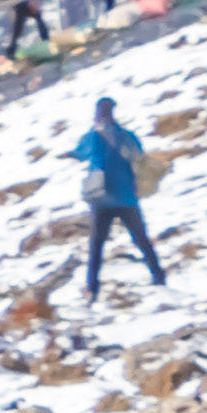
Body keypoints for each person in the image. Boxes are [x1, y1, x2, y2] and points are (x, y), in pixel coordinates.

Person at [69, 98, 164, 300]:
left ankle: (92, 288)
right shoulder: (126, 136)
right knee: (141, 239)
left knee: (97, 245)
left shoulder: (93, 136)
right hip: (127, 197)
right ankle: (158, 276)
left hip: (102, 198)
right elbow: (138, 154)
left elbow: (80, 153)